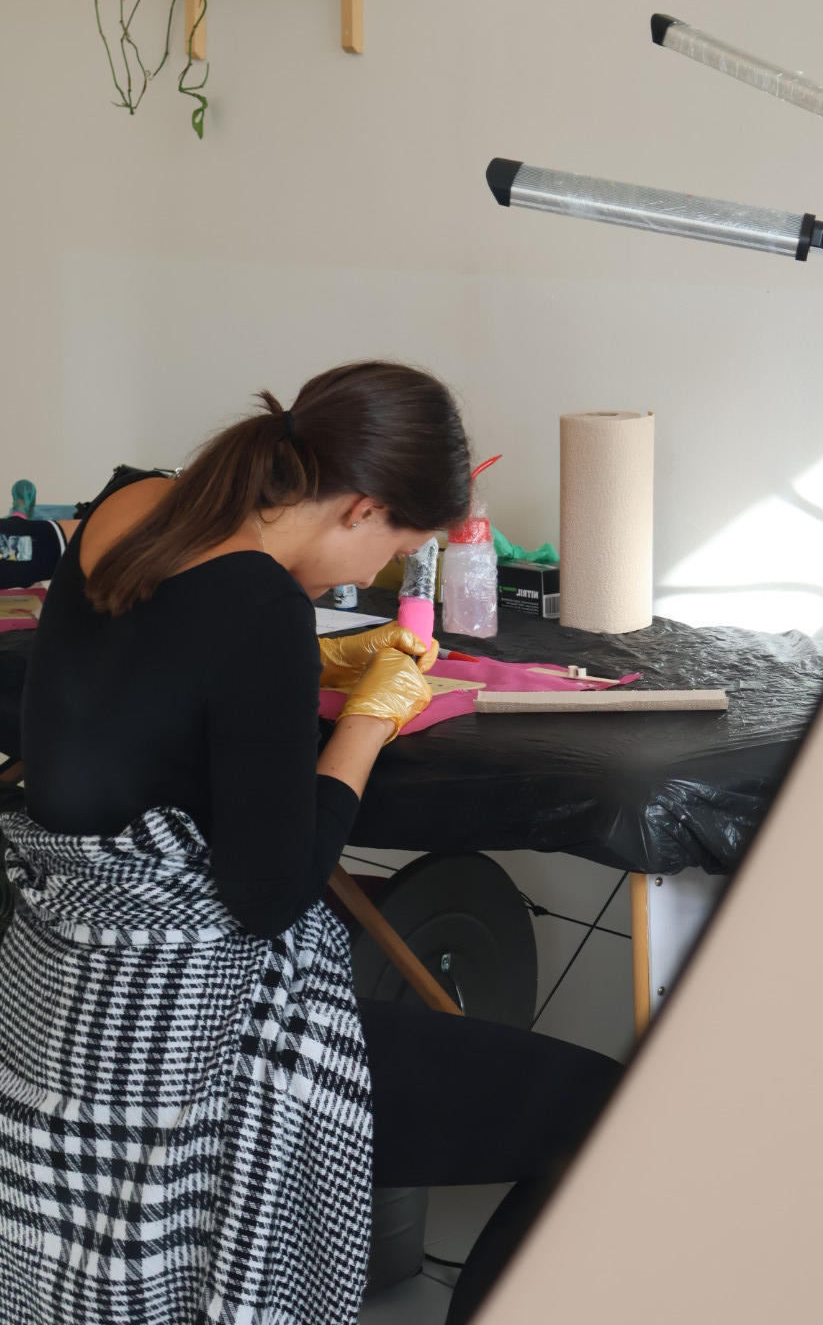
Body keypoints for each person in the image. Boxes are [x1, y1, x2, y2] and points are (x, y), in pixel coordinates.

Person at [0, 361, 619, 1325]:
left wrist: (314, 665)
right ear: (362, 507)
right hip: (178, 1032)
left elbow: (157, 674)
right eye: (394, 548)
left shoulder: (134, 503)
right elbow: (271, 893)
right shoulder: (262, 611)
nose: (368, 580)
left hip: (54, 1001)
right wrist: (370, 718)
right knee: (608, 1118)